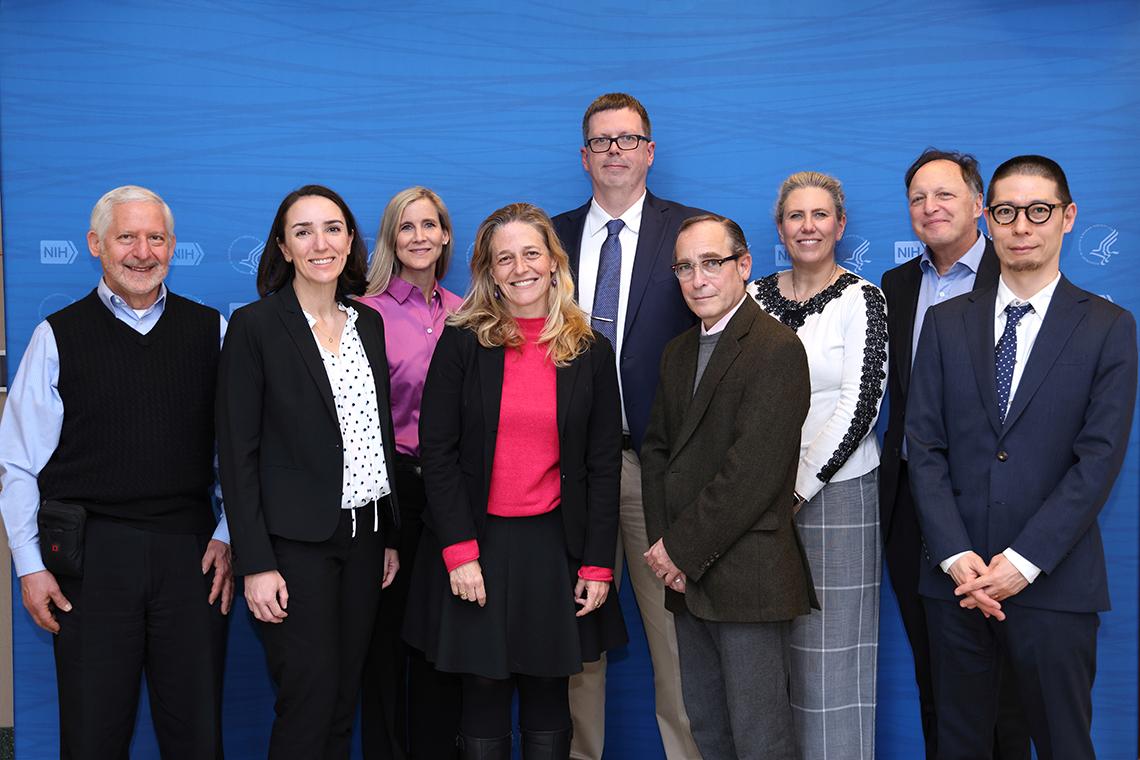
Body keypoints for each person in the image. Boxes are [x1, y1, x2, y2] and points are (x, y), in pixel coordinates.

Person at [907, 155, 1137, 760]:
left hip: (1054, 584)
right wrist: (958, 559)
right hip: (956, 586)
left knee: (1064, 744)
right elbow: (924, 447)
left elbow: (1099, 459)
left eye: (1039, 211)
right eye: (1006, 212)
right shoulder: (943, 322)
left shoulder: (1109, 327)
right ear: (989, 216)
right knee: (959, 744)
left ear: (1068, 217)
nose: (1022, 227)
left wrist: (1022, 562)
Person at [0, 185, 232, 758]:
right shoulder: (56, 336)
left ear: (173, 246)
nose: (142, 251)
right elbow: (17, 463)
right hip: (90, 563)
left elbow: (238, 454)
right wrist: (29, 567)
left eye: (156, 237)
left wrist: (230, 534)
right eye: (126, 236)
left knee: (196, 735)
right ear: (96, 245)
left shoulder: (213, 332)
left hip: (192, 556)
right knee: (93, 736)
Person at [404, 202, 626, 759]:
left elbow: (603, 465)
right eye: (505, 258)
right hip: (477, 544)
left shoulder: (591, 351)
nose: (520, 267)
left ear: (554, 262)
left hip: (555, 546)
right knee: (481, 688)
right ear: (488, 270)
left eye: (532, 253)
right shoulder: (462, 342)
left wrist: (598, 561)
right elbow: (439, 451)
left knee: (550, 690)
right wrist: (459, 550)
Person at [216, 184, 401, 758]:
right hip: (295, 548)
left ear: (350, 241)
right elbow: (237, 455)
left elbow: (378, 436)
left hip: (367, 540)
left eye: (332, 228)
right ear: (284, 247)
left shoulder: (367, 324)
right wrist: (257, 562)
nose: (320, 242)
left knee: (344, 698)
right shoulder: (255, 326)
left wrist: (388, 533)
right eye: (303, 231)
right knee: (308, 698)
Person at [551, 91, 703, 760]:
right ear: (585, 156)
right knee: (574, 640)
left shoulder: (691, 234)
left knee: (677, 642)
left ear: (650, 152)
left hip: (656, 469)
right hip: (567, 471)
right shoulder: (546, 238)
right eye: (602, 141)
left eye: (627, 139)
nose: (615, 150)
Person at [641, 213, 817, 760]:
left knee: (760, 740)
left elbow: (753, 475)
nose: (699, 279)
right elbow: (657, 455)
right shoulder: (677, 352)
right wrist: (666, 547)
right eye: (685, 267)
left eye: (712, 263)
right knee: (709, 732)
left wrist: (680, 549)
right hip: (685, 579)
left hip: (748, 578)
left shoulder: (776, 349)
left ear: (743, 266)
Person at [879, 149, 1028, 759]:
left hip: (995, 507)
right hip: (914, 503)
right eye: (918, 199)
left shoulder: (1017, 271)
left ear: (978, 205)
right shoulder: (898, 285)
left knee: (1003, 682)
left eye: (944, 195)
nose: (930, 208)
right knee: (935, 671)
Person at [747, 171, 887, 759]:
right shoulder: (751, 297)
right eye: (795, 216)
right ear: (780, 228)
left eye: (820, 215)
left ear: (840, 225)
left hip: (837, 497)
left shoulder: (863, 297)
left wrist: (799, 487)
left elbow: (861, 405)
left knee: (832, 663)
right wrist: (760, 488)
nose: (808, 226)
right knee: (762, 664)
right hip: (756, 498)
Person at [357, 186, 464, 760]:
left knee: (442, 644)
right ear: (391, 239)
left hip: (453, 492)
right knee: (385, 645)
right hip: (389, 491)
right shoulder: (363, 313)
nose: (420, 237)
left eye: (430, 225)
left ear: (446, 235)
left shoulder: (467, 312)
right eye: (407, 227)